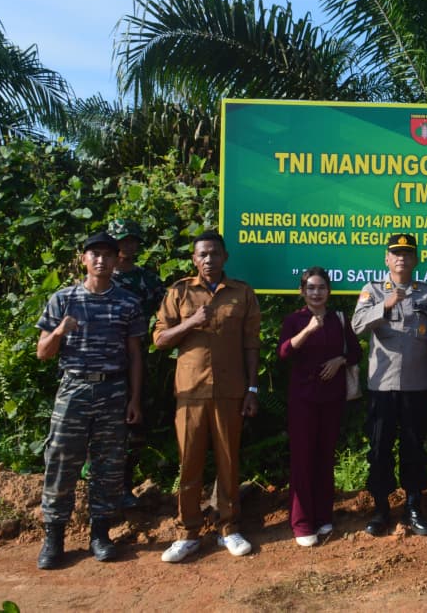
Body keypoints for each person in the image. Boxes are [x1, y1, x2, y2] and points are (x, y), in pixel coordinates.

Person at [35, 231, 146, 569]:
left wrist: (135, 399)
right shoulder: (63, 299)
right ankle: (54, 537)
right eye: (94, 254)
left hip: (113, 390)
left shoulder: (128, 302)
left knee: (108, 464)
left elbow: (135, 355)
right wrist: (59, 331)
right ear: (83, 259)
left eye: (107, 255)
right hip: (74, 389)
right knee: (61, 461)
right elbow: (42, 353)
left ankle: (100, 534)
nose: (101, 260)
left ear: (116, 259)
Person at [153, 230, 261, 562]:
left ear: (225, 257)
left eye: (215, 253)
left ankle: (228, 528)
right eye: (203, 254)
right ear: (194, 259)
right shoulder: (180, 292)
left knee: (229, 462)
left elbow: (251, 344)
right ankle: (188, 532)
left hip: (231, 391)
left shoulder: (242, 293)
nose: (209, 259)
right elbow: (160, 339)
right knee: (190, 463)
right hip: (191, 391)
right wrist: (191, 323)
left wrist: (252, 388)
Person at [351, 234, 427, 537]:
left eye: (407, 254)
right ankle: (381, 508)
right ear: (387, 259)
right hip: (383, 385)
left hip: (417, 386)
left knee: (414, 448)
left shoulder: (426, 293)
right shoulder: (373, 290)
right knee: (380, 448)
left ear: (415, 260)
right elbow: (357, 325)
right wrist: (385, 305)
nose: (401, 258)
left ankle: (414, 506)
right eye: (396, 253)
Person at [279, 267, 362, 546]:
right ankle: (302, 523)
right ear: (302, 291)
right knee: (302, 459)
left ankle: (323, 515)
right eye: (311, 288)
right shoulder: (295, 320)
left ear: (329, 291)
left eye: (321, 287)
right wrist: (308, 330)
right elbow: (284, 352)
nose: (317, 293)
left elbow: (356, 352)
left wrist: (340, 360)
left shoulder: (338, 319)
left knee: (325, 458)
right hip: (303, 400)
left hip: (332, 399)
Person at [107, 218, 166, 508]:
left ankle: (125, 486)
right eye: (122, 240)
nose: (127, 246)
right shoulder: (100, 278)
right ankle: (96, 487)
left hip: (136, 359)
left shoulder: (148, 280)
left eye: (132, 240)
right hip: (103, 360)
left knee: (135, 426)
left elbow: (166, 311)